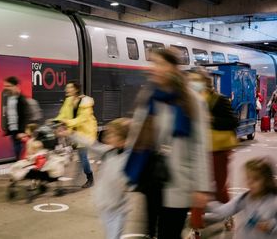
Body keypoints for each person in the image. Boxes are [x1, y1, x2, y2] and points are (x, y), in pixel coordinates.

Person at [125, 50, 213, 239]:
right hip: (150, 176)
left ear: (173, 68)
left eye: (160, 64)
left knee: (170, 233)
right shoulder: (149, 95)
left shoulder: (192, 100)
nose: (155, 69)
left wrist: (201, 186)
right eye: (153, 64)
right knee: (150, 232)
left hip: (178, 179)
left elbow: (199, 146)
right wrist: (126, 170)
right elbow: (136, 135)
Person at [57, 118, 131, 239]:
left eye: (112, 134)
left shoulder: (129, 158)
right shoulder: (109, 151)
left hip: (118, 209)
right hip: (104, 205)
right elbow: (89, 143)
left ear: (123, 139)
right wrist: (70, 133)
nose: (107, 137)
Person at [188, 69, 239, 233]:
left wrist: (211, 120)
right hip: (198, 150)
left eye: (195, 80)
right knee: (198, 188)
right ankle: (196, 225)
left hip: (218, 150)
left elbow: (232, 122)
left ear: (205, 83)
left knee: (219, 189)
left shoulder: (219, 100)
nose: (192, 84)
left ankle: (227, 214)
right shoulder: (190, 101)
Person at [205, 158, 277, 239]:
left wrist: (271, 226)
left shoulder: (273, 201)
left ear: (266, 181)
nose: (250, 182)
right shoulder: (244, 198)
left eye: (256, 179)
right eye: (248, 178)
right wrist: (207, 202)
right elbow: (224, 211)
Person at [54, 81, 97, 188]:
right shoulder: (68, 100)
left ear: (76, 89)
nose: (66, 90)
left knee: (83, 157)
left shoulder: (86, 102)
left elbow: (82, 119)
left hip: (85, 133)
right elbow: (63, 113)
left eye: (69, 88)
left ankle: (90, 178)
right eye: (66, 88)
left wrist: (67, 123)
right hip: (73, 131)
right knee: (66, 154)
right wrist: (56, 121)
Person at [3, 76, 29, 160]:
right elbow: (9, 114)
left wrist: (22, 131)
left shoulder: (21, 99)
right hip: (13, 129)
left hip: (19, 130)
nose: (6, 88)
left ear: (16, 86)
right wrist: (8, 129)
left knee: (19, 152)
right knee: (17, 151)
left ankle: (21, 169)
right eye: (5, 86)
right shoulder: (9, 98)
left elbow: (24, 116)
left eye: (8, 86)